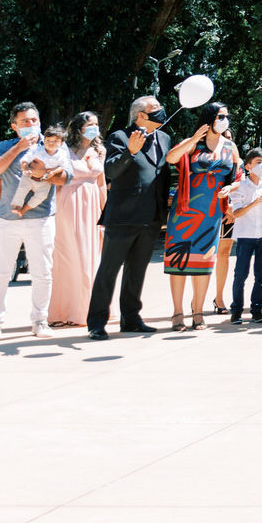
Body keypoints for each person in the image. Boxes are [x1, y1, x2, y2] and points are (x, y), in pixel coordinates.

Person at [0, 103, 68, 340]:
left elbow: (67, 177)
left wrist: (46, 174)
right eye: (25, 121)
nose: (31, 125)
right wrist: (18, 148)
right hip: (7, 220)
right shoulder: (5, 146)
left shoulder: (54, 144)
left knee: (42, 273)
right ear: (14, 126)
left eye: (34, 120)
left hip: (41, 219)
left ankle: (40, 321)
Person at [87, 96, 172, 340]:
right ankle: (96, 323)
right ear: (141, 115)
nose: (161, 111)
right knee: (109, 271)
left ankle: (131, 319)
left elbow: (163, 174)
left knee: (137, 272)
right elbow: (111, 170)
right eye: (155, 108)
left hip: (151, 216)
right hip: (123, 216)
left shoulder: (165, 138)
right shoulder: (120, 137)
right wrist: (130, 152)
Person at [162, 107, 239, 331]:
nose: (225, 120)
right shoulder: (193, 142)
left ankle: (198, 311)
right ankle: (177, 312)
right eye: (220, 116)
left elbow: (236, 177)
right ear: (209, 118)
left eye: (227, 116)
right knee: (178, 261)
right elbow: (171, 158)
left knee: (203, 263)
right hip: (184, 210)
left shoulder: (230, 146)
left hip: (211, 212)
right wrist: (194, 139)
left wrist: (230, 188)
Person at [47, 112, 106, 328]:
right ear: (79, 127)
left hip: (92, 205)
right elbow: (53, 179)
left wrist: (105, 213)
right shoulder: (64, 150)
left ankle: (89, 308)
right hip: (68, 204)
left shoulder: (99, 150)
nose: (94, 128)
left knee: (91, 255)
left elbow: (101, 183)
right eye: (90, 124)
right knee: (69, 256)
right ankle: (64, 310)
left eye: (96, 124)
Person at [222, 149, 262, 324]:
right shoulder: (240, 186)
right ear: (248, 166)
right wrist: (253, 203)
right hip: (245, 235)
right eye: (258, 162)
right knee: (241, 274)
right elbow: (236, 213)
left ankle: (257, 310)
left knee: (261, 274)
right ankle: (236, 310)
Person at [4, 121, 70, 218]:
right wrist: (25, 168)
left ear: (61, 143)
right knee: (21, 190)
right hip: (29, 177)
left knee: (41, 196)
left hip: (45, 181)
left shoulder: (62, 154)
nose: (51, 143)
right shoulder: (37, 150)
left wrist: (54, 171)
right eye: (48, 140)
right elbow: (25, 159)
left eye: (55, 141)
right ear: (44, 140)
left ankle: (24, 210)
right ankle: (17, 207)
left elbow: (63, 166)